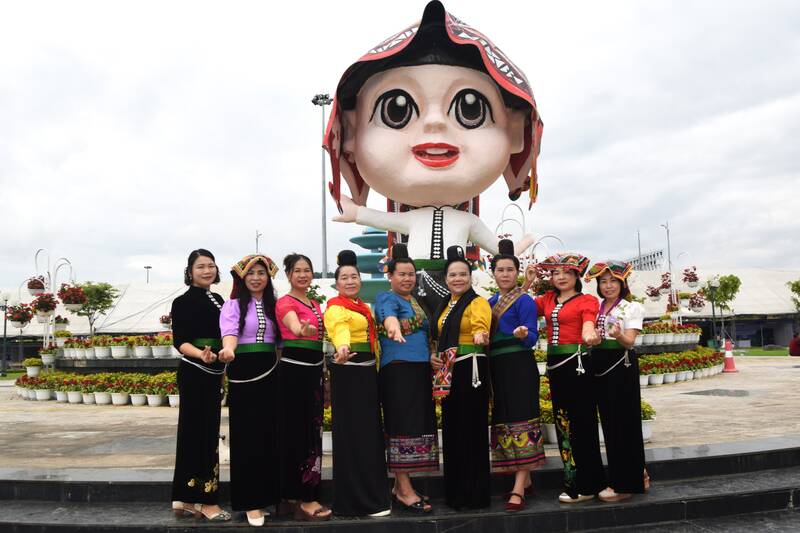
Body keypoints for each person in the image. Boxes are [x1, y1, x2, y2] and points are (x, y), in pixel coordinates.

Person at [324, 0, 541, 320]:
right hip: (416, 280)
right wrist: (356, 212)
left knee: (459, 329)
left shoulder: (466, 222)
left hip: (457, 280)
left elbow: (491, 244)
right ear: (352, 132)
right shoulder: (414, 220)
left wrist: (514, 249)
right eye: (396, 109)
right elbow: (386, 221)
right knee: (419, 330)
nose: (435, 124)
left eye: (470, 108)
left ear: (513, 131)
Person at [525, 254, 604, 503]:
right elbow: (518, 305)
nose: (560, 277)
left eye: (566, 273)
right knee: (563, 425)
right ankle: (573, 481)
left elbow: (589, 322)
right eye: (556, 273)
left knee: (583, 423)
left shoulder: (587, 300)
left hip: (578, 366)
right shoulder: (547, 299)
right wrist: (526, 283)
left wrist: (589, 332)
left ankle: (589, 483)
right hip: (556, 367)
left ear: (576, 276)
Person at [323, 250, 391, 517]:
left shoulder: (363, 307)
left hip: (365, 374)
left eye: (354, 277)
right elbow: (338, 329)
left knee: (369, 434)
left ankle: (373, 497)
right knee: (353, 435)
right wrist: (342, 346)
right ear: (337, 283)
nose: (350, 281)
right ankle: (355, 501)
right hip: (349, 369)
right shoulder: (336, 307)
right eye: (344, 278)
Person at [218, 255, 282, 527]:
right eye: (251, 273)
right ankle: (249, 502)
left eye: (261, 273)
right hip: (244, 368)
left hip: (271, 370)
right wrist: (229, 350)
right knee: (247, 437)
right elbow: (230, 333)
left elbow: (280, 342)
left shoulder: (274, 306)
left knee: (269, 435)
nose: (256, 277)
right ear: (242, 278)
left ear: (268, 278)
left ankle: (266, 497)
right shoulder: (232, 305)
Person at [374, 243, 437, 513]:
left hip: (419, 370)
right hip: (398, 370)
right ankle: (403, 489)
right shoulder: (387, 298)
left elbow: (424, 334)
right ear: (391, 276)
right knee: (401, 427)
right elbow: (389, 319)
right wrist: (394, 329)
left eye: (411, 274)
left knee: (414, 426)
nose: (407, 278)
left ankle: (402, 485)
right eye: (402, 274)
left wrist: (431, 356)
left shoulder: (415, 301)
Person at [169, 249, 231, 522]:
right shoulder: (182, 302)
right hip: (196, 370)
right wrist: (200, 354)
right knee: (198, 436)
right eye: (201, 267)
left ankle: (183, 498)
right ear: (190, 271)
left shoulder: (217, 298)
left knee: (203, 434)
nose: (207, 271)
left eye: (211, 266)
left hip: (213, 370)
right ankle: (206, 502)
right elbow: (179, 340)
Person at [430, 245, 491, 510]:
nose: (458, 279)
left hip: (469, 369)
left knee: (472, 431)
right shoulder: (446, 304)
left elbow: (480, 327)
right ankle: (455, 494)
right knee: (453, 432)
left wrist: (480, 335)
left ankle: (474, 495)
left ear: (470, 277)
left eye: (463, 274)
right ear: (446, 279)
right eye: (453, 275)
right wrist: (435, 356)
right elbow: (439, 336)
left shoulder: (477, 302)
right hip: (448, 371)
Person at [487, 239, 544, 512]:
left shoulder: (525, 302)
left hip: (519, 366)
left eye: (510, 269)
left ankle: (518, 487)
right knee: (505, 421)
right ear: (493, 273)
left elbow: (531, 337)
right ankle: (527, 479)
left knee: (523, 420)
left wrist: (522, 334)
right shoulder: (488, 303)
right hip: (496, 369)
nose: (505, 274)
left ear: (517, 272)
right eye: (501, 270)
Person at [275, 254, 331, 521]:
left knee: (312, 432)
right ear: (288, 275)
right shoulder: (285, 302)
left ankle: (301, 495)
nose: (303, 275)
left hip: (313, 370)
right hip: (294, 370)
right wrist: (302, 329)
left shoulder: (313, 302)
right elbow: (294, 326)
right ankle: (300, 498)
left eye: (307, 270)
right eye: (297, 271)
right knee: (297, 433)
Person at [585, 260, 648, 502]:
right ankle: (638, 473)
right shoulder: (598, 307)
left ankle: (624, 484)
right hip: (600, 364)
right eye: (603, 281)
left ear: (623, 283)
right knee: (610, 423)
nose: (608, 285)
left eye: (613, 281)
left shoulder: (631, 308)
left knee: (624, 423)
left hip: (621, 365)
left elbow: (630, 341)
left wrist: (619, 334)